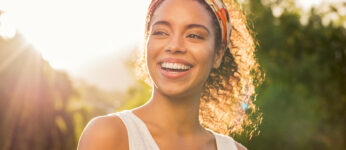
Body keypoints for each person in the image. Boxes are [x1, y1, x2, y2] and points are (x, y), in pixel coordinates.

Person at [78, 0, 262, 149]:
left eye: (194, 36)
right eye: (161, 32)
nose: (174, 46)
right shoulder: (108, 136)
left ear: (218, 54)